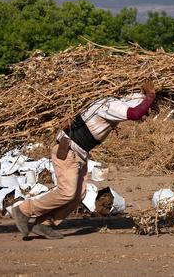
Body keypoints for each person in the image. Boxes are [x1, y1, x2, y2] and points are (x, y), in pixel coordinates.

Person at [13, 80, 157, 240]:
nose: (145, 114)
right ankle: (24, 210)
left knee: (78, 195)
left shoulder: (109, 103)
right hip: (68, 150)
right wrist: (150, 95)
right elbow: (135, 113)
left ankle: (45, 223)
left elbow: (137, 109)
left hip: (79, 153)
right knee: (67, 192)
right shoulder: (109, 104)